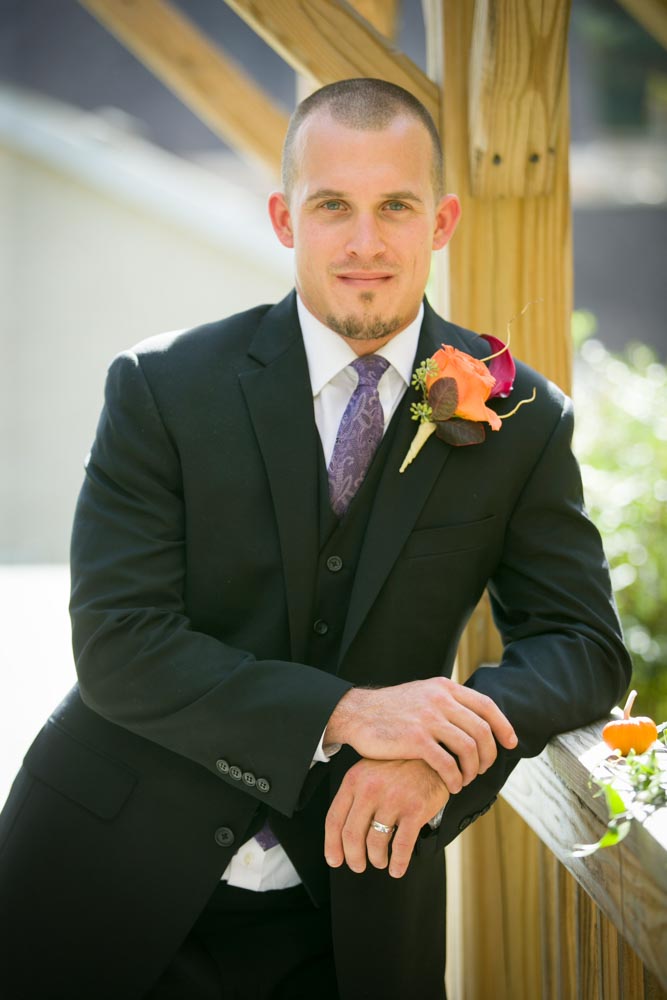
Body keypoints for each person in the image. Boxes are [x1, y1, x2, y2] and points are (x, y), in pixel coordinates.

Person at [0, 78, 630, 1000]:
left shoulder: (524, 418)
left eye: (395, 207)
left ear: (442, 219)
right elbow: (117, 643)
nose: (365, 243)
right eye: (332, 205)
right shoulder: (160, 388)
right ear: (284, 217)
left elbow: (580, 644)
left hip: (354, 916)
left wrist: (440, 746)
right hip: (103, 882)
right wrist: (349, 714)